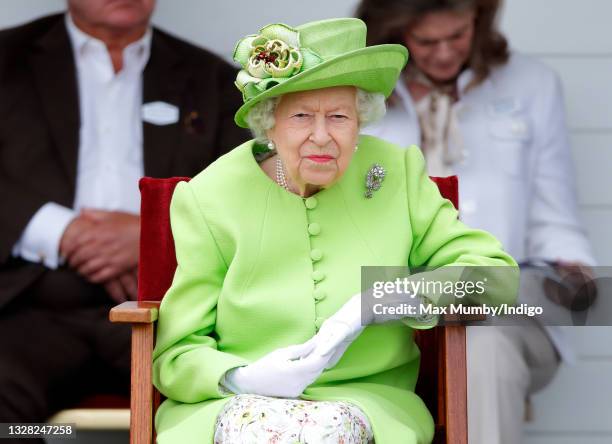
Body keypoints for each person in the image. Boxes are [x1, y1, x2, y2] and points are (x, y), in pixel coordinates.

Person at [152, 17, 519, 444]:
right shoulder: (209, 196)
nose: (322, 136)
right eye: (302, 116)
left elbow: (495, 279)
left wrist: (381, 298)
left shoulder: (397, 173)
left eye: (339, 116)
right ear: (270, 122)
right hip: (235, 403)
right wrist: (242, 377)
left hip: (366, 402)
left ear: (360, 121)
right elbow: (176, 355)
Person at [0, 0, 248, 437]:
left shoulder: (211, 79)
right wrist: (61, 231)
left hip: (165, 311)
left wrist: (149, 236)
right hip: (27, 305)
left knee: (235, 399)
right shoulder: (8, 58)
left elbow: (243, 195)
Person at [356, 0, 596, 443]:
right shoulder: (357, 97)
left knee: (477, 338)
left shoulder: (533, 84)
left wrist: (575, 272)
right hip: (389, 299)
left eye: (457, 35)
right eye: (427, 41)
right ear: (394, 30)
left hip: (505, 299)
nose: (445, 53)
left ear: (479, 20)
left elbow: (552, 215)